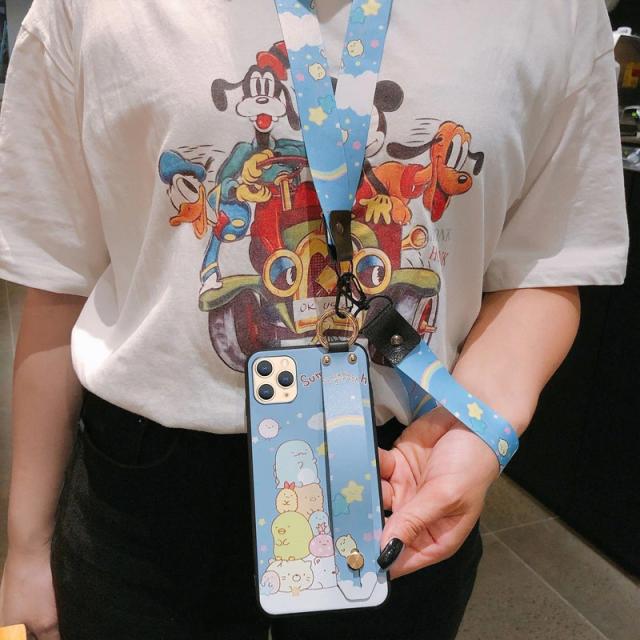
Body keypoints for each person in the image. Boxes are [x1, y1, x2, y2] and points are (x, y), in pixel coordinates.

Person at [0, 0, 629, 638]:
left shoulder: (554, 14)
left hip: (402, 469)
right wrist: (26, 547)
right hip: (146, 486)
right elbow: (58, 281)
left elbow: (546, 264)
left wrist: (474, 433)